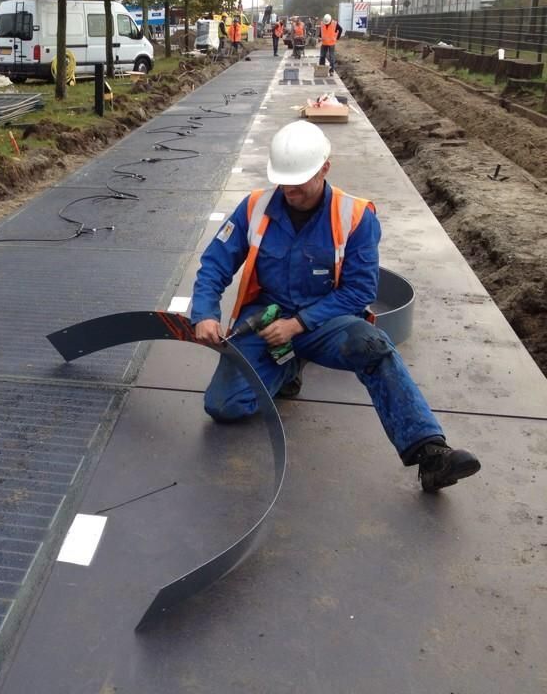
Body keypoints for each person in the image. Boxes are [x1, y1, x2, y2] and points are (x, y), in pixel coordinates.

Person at [191, 121, 481, 493]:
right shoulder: (254, 207)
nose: (290, 190)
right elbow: (215, 262)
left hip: (324, 321)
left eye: (300, 180)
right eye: (285, 181)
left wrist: (298, 325)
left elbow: (360, 289)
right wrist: (205, 313)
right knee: (223, 406)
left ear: (325, 167)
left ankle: (430, 453)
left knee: (373, 347)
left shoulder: (356, 216)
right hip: (266, 319)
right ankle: (287, 365)